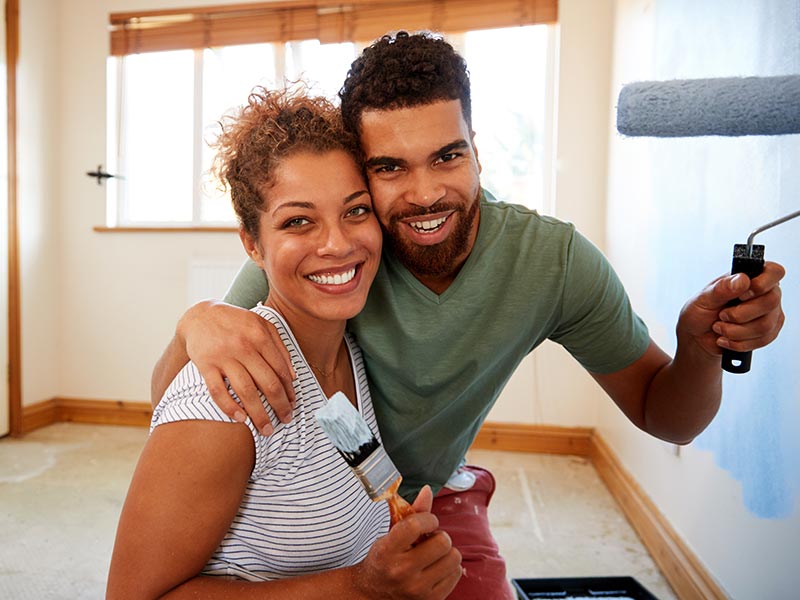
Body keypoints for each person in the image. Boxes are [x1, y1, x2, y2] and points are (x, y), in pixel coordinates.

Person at [150, 32, 786, 599]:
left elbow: (667, 416)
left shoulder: (552, 263)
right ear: (361, 173)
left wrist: (699, 349)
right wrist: (196, 321)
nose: (425, 194)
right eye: (390, 168)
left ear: (477, 148)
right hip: (309, 505)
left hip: (417, 493)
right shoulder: (325, 255)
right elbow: (174, 411)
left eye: (447, 156)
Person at [107, 87, 462, 599]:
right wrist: (360, 587)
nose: (338, 244)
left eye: (356, 211)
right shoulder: (226, 397)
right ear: (253, 243)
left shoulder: (348, 353)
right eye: (298, 221)